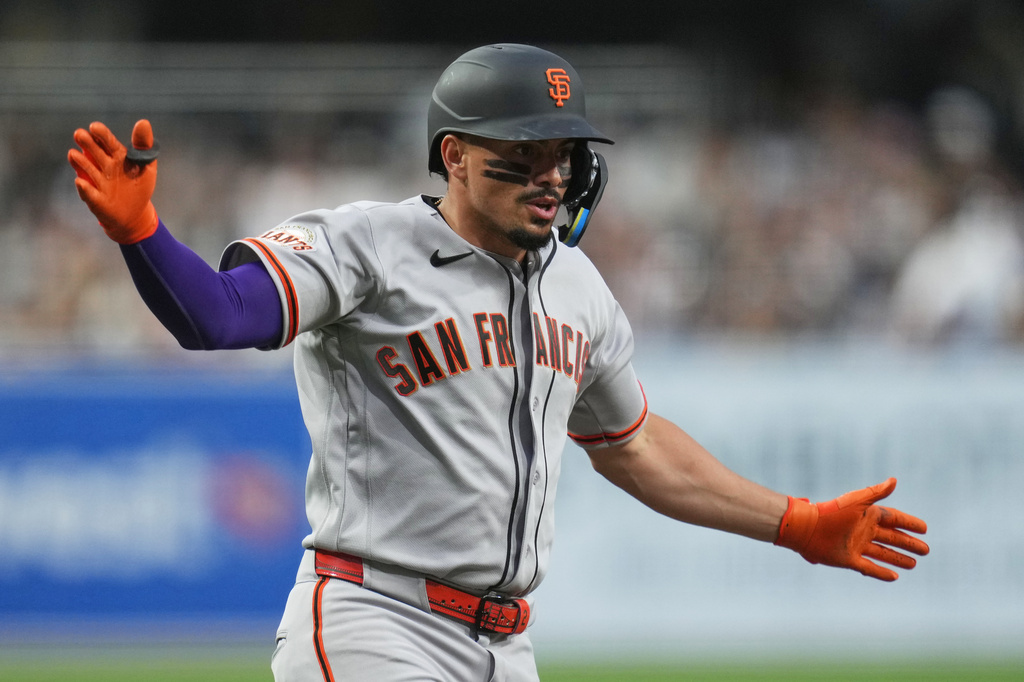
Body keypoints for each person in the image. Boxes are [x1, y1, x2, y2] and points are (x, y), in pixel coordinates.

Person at [67, 43, 929, 682]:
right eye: (521, 153)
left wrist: (793, 522)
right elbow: (220, 316)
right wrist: (144, 235)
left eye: (563, 153)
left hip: (505, 646)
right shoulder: (369, 245)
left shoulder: (578, 287)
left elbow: (634, 445)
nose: (549, 175)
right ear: (454, 156)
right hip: (374, 620)